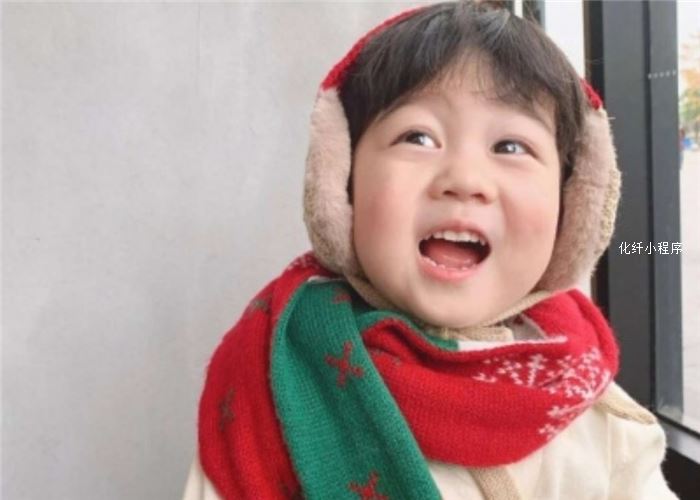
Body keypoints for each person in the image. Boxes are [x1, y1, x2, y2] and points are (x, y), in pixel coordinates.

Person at [182, 2, 678, 498]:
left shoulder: (604, 424)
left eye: (510, 147)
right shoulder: (275, 376)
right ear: (341, 184)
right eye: (417, 137)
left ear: (575, 208)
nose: (464, 179)